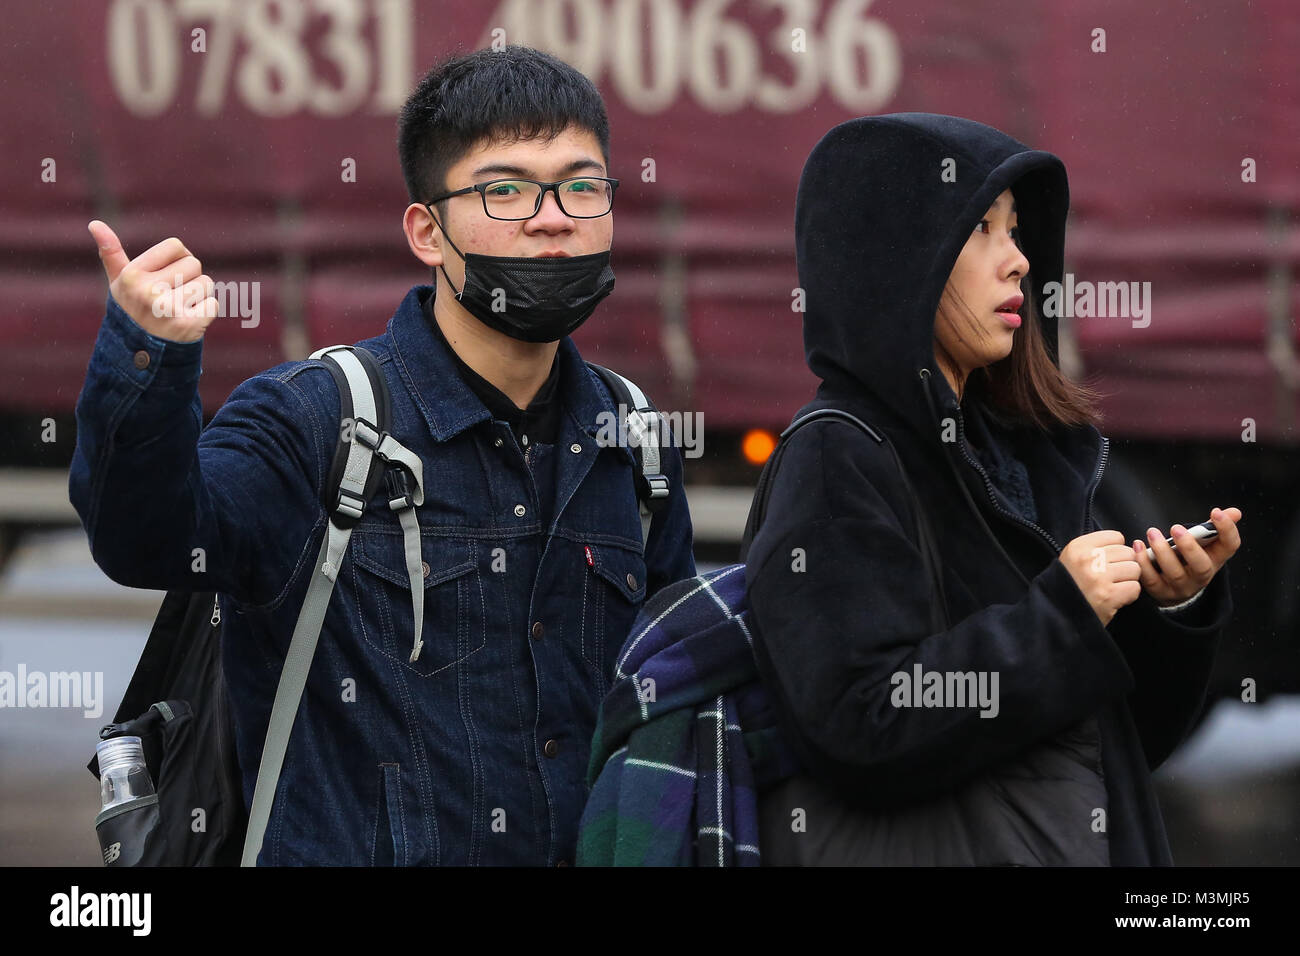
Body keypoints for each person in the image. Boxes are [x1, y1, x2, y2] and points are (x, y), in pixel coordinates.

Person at [69, 46, 695, 866]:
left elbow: (674, 702)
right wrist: (148, 356)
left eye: (581, 185)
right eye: (504, 190)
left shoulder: (634, 437)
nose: (553, 216)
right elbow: (143, 541)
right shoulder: (315, 421)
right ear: (426, 233)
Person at [745, 113, 1242, 866]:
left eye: (1016, 231)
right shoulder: (838, 455)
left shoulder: (1019, 451)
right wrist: (1063, 617)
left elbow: (1112, 746)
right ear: (895, 255)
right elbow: (860, 726)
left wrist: (1170, 610)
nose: (1018, 262)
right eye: (982, 229)